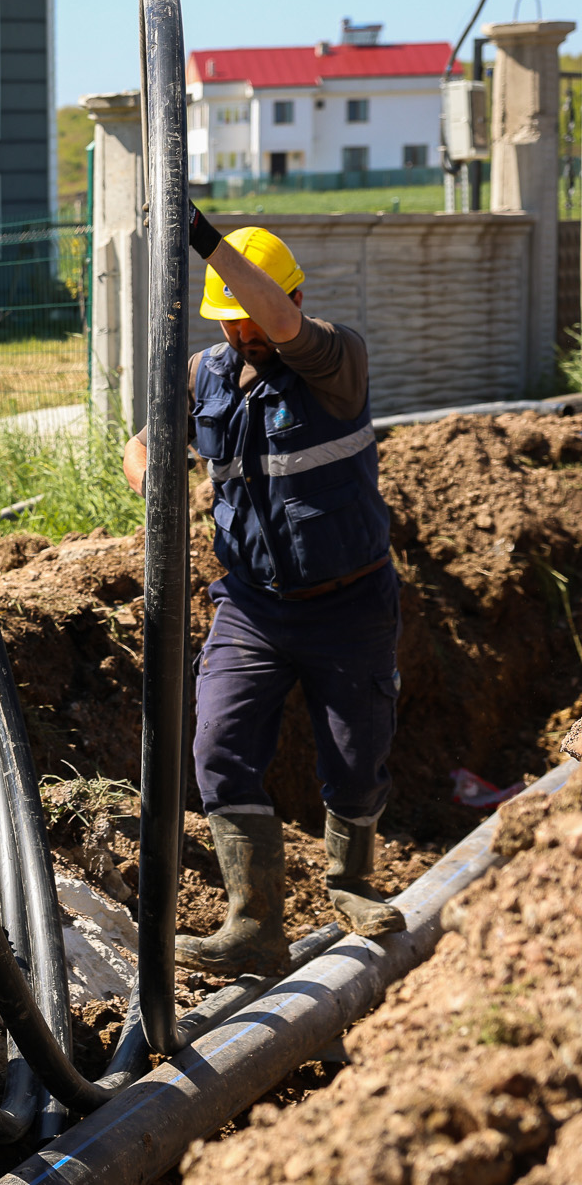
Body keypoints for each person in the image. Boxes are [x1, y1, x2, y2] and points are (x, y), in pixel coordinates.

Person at [122, 209, 402, 976]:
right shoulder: (205, 374)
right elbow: (142, 442)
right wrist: (153, 481)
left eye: (254, 319)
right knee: (218, 745)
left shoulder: (335, 360)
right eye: (231, 323)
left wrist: (204, 236)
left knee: (355, 756)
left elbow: (278, 322)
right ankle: (255, 923)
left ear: (292, 302)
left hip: (349, 603)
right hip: (252, 605)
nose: (243, 335)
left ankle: (350, 883)